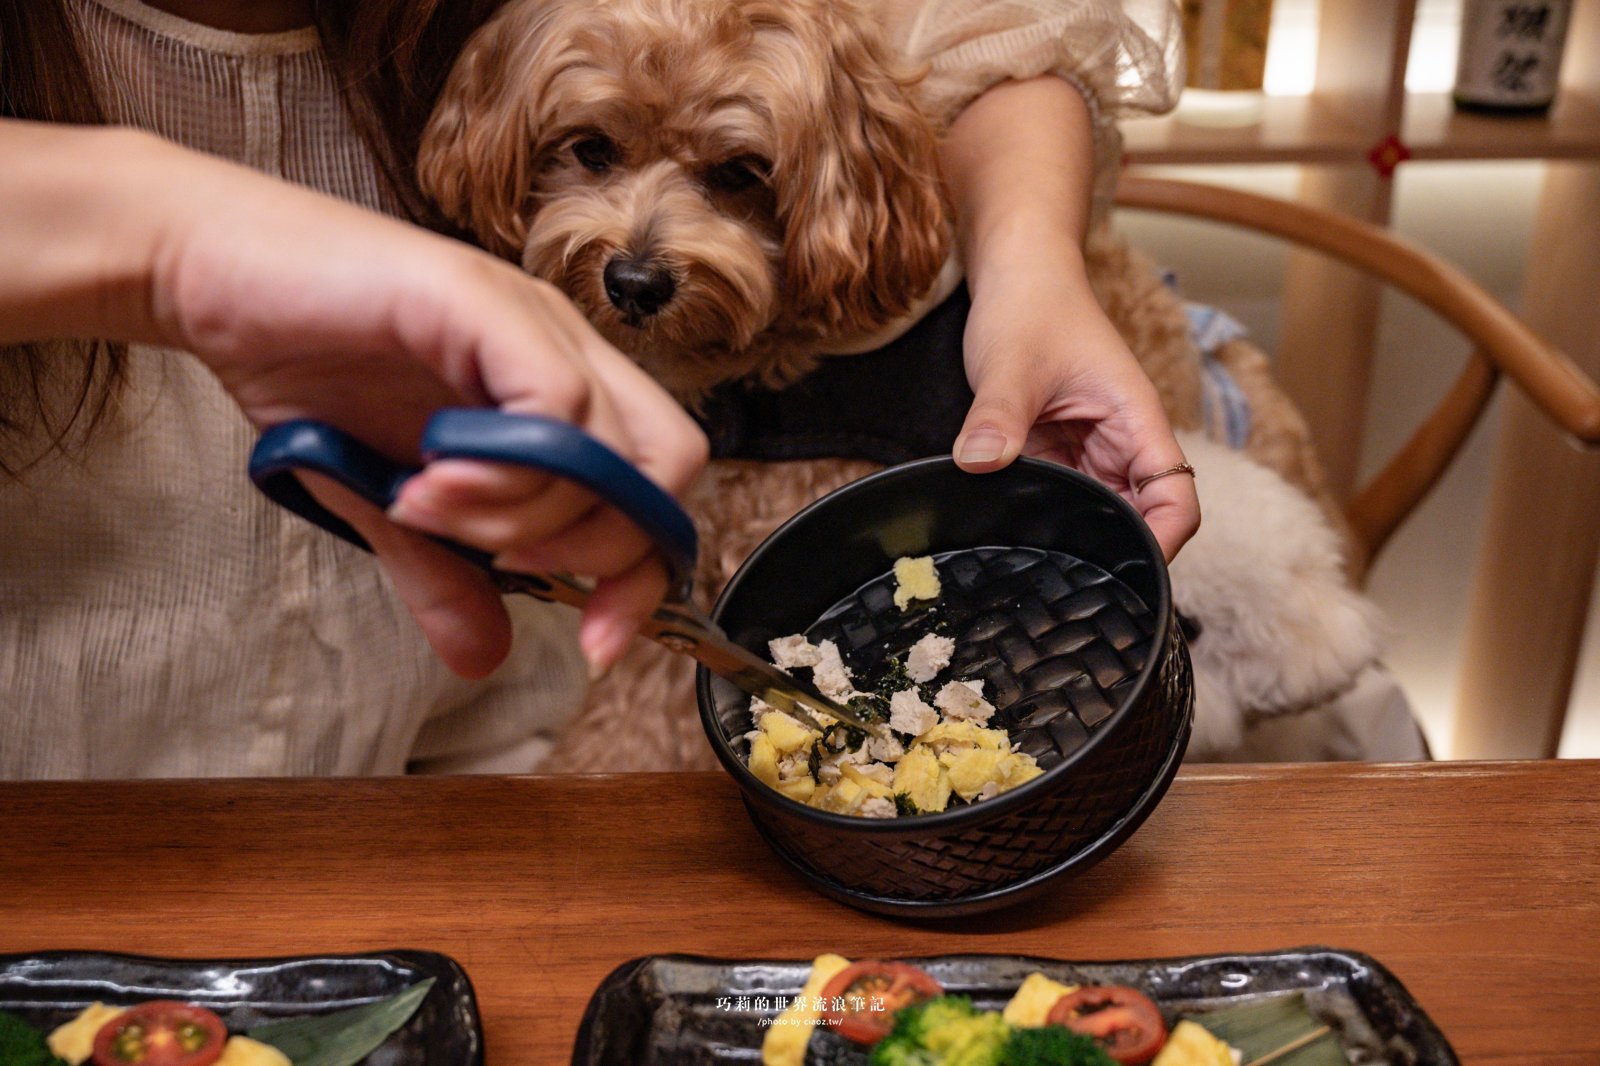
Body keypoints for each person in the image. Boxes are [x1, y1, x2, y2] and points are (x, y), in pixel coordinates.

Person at [1, 0, 1197, 779]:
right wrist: (165, 232)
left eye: (730, 174)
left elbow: (984, 36)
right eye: (592, 153)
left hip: (490, 747)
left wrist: (1031, 261)